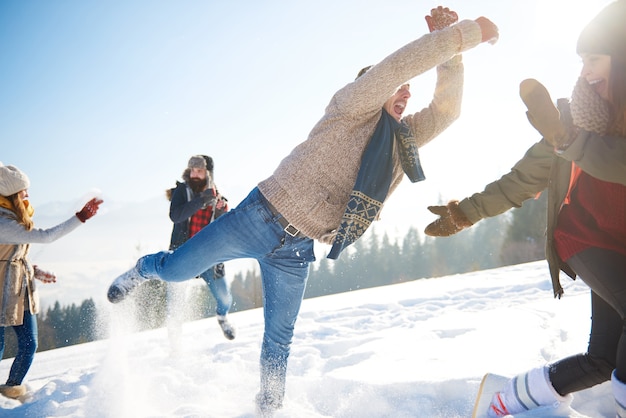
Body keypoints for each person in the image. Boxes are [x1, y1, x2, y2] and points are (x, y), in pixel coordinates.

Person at [107, 6, 498, 415]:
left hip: (296, 252)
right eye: (398, 87)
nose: (405, 92)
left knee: (279, 337)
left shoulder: (402, 141)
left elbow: (447, 111)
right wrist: (463, 34)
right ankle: (142, 268)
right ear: (372, 86)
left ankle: (268, 407)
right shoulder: (351, 105)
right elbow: (401, 63)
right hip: (257, 217)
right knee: (174, 271)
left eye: (408, 90)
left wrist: (453, 56)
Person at [423, 1, 626, 416]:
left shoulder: (571, 133)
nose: (586, 70)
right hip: (585, 237)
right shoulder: (570, 120)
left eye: (595, 59)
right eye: (582, 60)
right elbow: (521, 180)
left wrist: (571, 142)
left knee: (604, 359)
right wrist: (466, 213)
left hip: (621, 245)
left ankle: (508, 399)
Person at [0, 163, 102, 399]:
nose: (28, 194)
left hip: (18, 290)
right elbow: (45, 237)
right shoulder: (3, 223)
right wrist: (80, 218)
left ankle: (11, 390)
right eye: (24, 190)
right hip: (3, 291)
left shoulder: (14, 218)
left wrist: (35, 271)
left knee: (29, 344)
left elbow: (11, 255)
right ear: (12, 194)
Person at [165, 155, 235, 347]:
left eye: (199, 171)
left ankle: (222, 317)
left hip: (209, 257)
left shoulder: (217, 195)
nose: (195, 174)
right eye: (192, 170)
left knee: (225, 296)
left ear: (208, 173)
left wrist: (221, 211)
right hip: (182, 254)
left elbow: (222, 225)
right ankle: (174, 346)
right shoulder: (182, 191)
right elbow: (176, 215)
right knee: (175, 305)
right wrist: (201, 200)